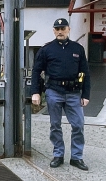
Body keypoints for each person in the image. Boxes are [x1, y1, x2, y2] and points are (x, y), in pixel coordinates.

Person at [31, 18, 91, 171]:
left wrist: (86, 94)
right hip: (54, 92)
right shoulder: (47, 50)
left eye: (63, 28)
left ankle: (76, 157)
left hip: (73, 93)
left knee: (78, 125)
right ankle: (58, 155)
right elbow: (36, 71)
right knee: (55, 125)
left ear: (68, 29)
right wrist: (35, 92)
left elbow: (85, 72)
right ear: (53, 31)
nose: (60, 31)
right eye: (57, 29)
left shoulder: (77, 49)